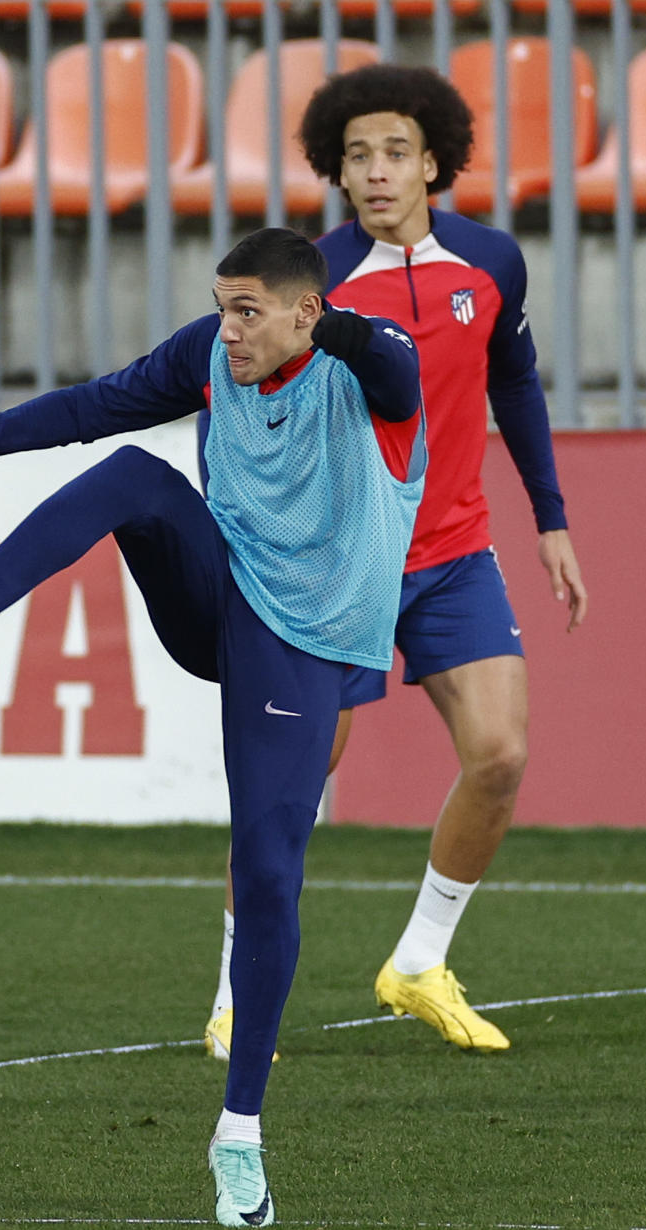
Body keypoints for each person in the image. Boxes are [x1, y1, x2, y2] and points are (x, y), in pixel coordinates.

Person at [0, 227, 425, 1228]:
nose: (227, 326)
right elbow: (90, 407)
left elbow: (395, 370)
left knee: (271, 869)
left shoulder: (365, 364)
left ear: (303, 312)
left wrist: (345, 330)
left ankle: (237, 1133)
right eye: (221, 303)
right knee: (133, 473)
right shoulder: (208, 355)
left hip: (308, 647)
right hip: (221, 599)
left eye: (249, 310)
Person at [203, 64, 589, 1061]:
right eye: (358, 155)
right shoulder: (309, 277)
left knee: (500, 756)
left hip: (454, 550)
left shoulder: (492, 262)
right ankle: (237, 991)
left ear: (434, 163)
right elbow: (241, 406)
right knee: (293, 785)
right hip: (334, 566)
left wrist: (550, 518)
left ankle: (419, 960)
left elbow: (517, 386)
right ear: (336, 167)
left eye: (396, 153)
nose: (376, 173)